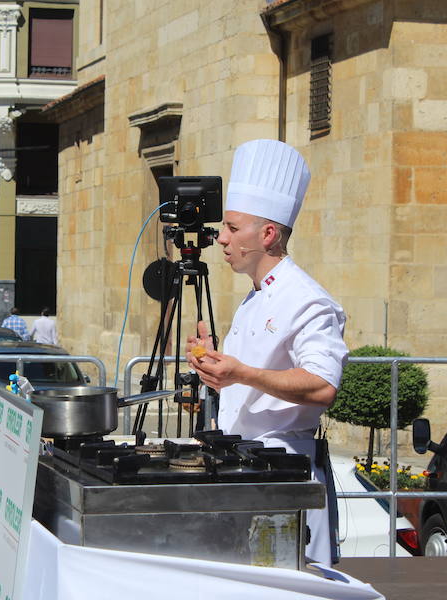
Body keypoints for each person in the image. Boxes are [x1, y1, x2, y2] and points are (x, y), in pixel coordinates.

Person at [185, 139, 348, 566]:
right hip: (244, 468)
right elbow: (248, 376)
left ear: (268, 234)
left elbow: (323, 385)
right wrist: (215, 364)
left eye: (232, 228)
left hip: (282, 473)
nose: (220, 238)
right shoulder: (254, 296)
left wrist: (241, 373)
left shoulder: (308, 300)